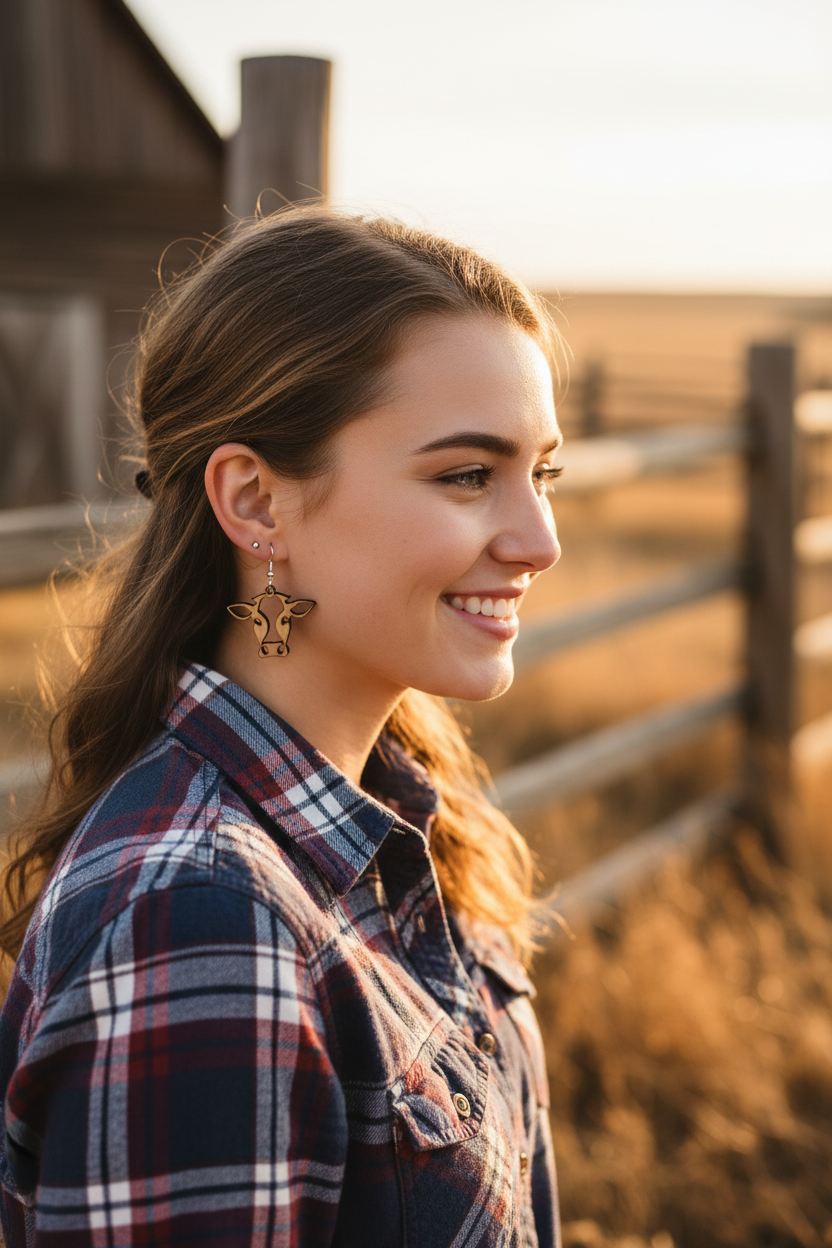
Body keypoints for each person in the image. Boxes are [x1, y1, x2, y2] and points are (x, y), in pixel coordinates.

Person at [0, 207, 564, 1247]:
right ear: (255, 501)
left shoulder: (393, 815)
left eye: (544, 472)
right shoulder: (200, 919)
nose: (539, 539)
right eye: (467, 475)